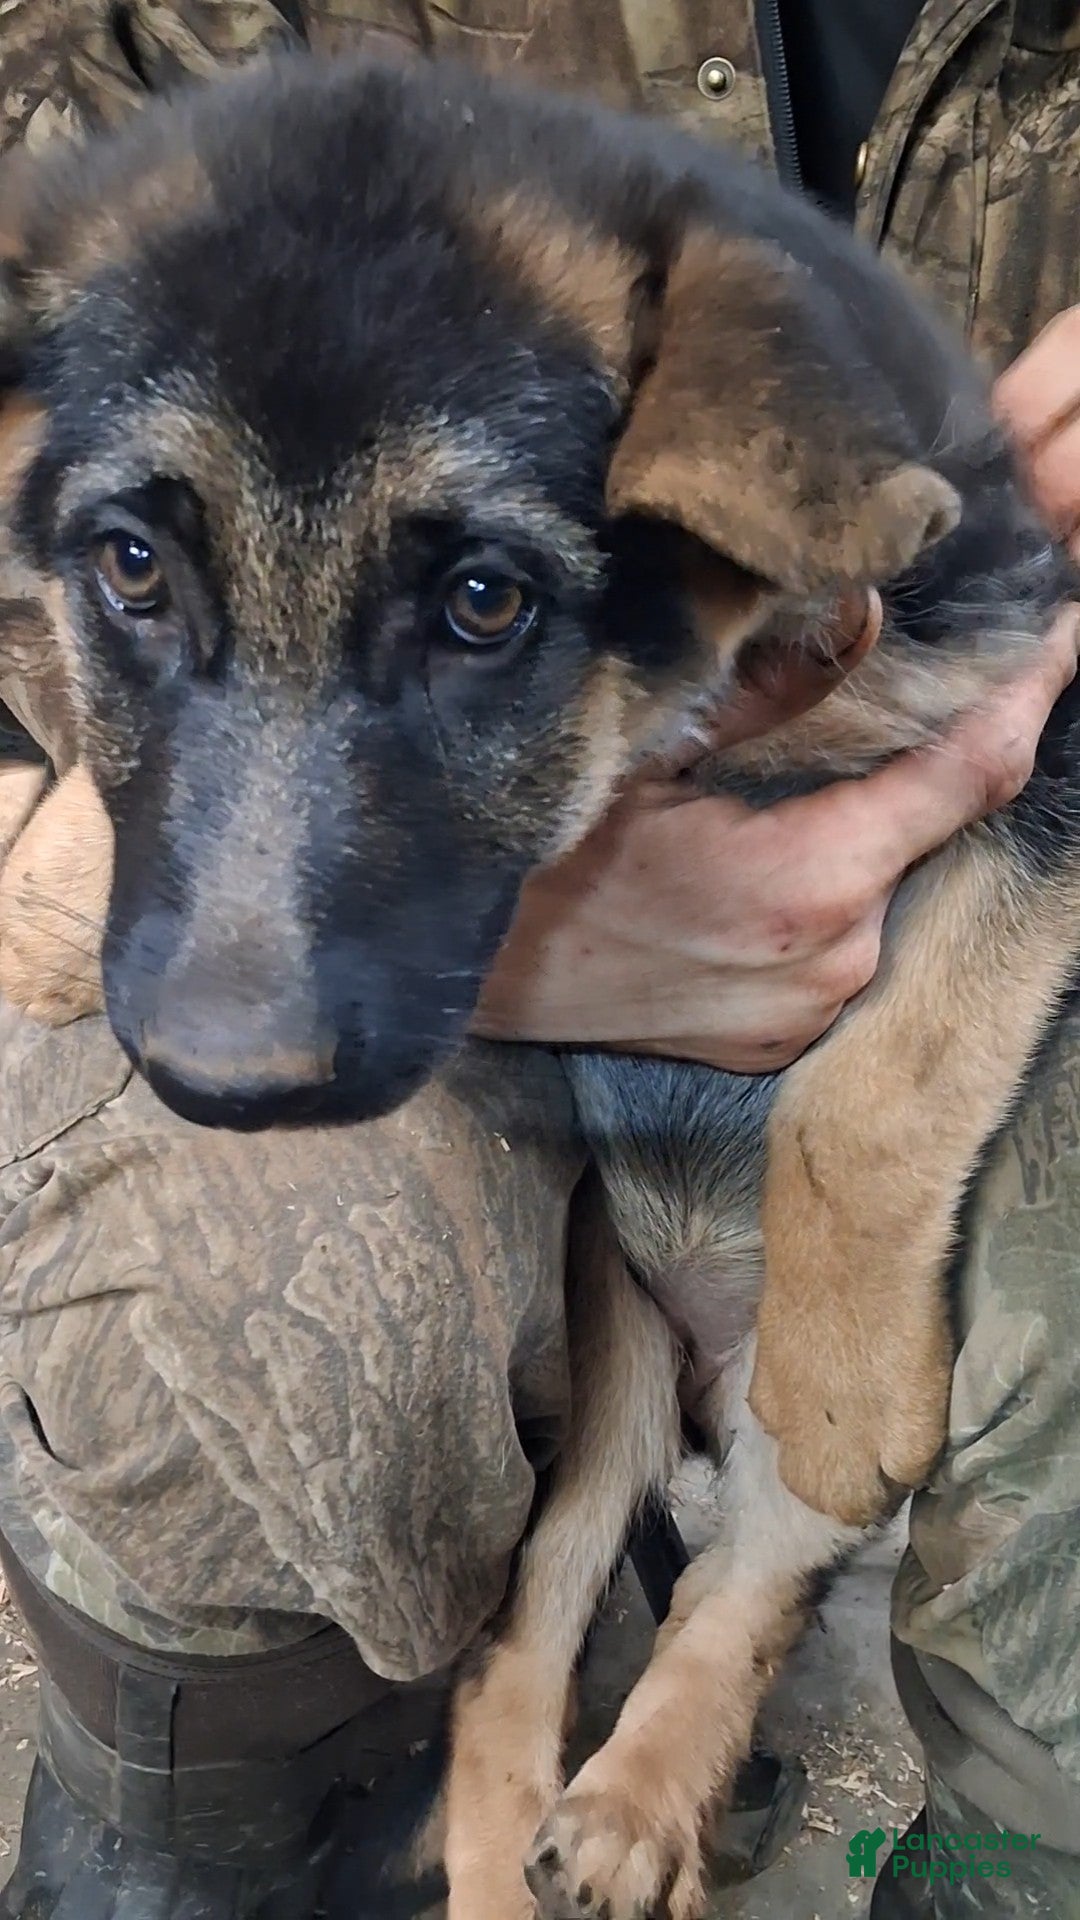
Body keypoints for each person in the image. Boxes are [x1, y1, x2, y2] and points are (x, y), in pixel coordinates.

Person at [0, 4, 1077, 1917]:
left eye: (477, 597)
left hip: (919, 842)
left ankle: (972, 1821)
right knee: (238, 1285)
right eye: (139, 570)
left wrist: (855, 1174)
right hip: (438, 913)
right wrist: (58, 877)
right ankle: (262, 1804)